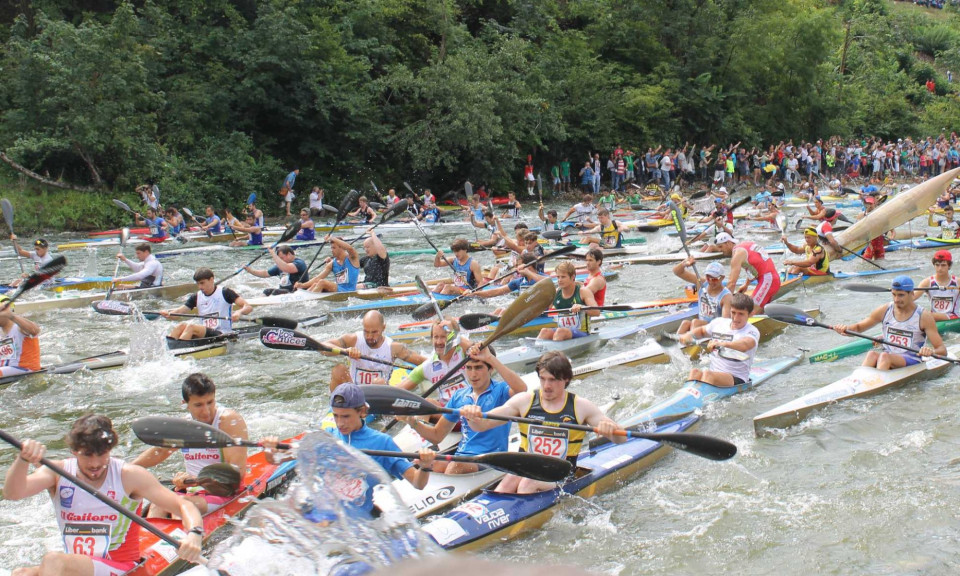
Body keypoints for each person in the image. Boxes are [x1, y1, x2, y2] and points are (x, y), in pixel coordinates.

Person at [3, 414, 203, 575]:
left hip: (121, 567)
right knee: (21, 573)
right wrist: (23, 460)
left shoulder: (129, 476)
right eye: (87, 455)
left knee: (53, 560)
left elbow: (184, 506)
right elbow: (13, 493)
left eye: (102, 454)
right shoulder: (57, 472)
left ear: (110, 449)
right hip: (81, 567)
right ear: (74, 451)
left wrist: (194, 534)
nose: (95, 463)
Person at [461, 351, 625, 493]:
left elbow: (621, 438)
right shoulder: (524, 401)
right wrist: (473, 417)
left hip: (560, 475)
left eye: (553, 380)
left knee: (527, 483)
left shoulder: (581, 407)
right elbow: (482, 425)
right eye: (543, 379)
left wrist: (610, 428)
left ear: (566, 379)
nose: (546, 386)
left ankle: (523, 526)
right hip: (526, 470)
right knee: (510, 480)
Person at [264, 383, 436, 491]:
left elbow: (417, 484)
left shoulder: (382, 442)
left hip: (361, 522)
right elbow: (277, 460)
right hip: (326, 517)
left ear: (362, 412)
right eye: (336, 416)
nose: (340, 423)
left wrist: (426, 466)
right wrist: (271, 450)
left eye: (345, 416)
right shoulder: (326, 437)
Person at [132, 373, 248, 515]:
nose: (206, 411)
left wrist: (197, 481)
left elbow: (236, 475)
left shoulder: (228, 421)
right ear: (185, 404)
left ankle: (185, 536)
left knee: (181, 507)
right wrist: (127, 468)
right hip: (191, 491)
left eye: (210, 402)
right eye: (198, 405)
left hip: (223, 493)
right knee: (157, 504)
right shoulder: (184, 425)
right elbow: (160, 452)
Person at [399, 345, 526, 474]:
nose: (473, 374)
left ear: (491, 368)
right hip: (463, 457)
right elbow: (436, 436)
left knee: (456, 466)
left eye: (478, 368)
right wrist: (412, 422)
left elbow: (522, 390)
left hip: (491, 460)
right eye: (469, 368)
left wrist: (489, 357)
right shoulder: (459, 396)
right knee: (429, 464)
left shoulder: (501, 390)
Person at [833, 275, 946, 370]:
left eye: (901, 295)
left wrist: (929, 351)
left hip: (911, 358)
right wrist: (844, 329)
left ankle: (874, 388)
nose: (896, 300)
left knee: (884, 357)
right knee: (871, 354)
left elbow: (942, 350)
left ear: (912, 294)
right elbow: (858, 328)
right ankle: (858, 383)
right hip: (887, 356)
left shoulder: (924, 316)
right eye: (894, 294)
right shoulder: (885, 310)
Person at [323, 310, 425, 391]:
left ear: (383, 328)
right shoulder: (353, 340)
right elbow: (323, 347)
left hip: (379, 395)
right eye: (366, 332)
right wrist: (345, 350)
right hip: (354, 392)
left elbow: (423, 362)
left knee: (378, 382)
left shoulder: (394, 348)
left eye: (374, 332)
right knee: (338, 370)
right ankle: (339, 404)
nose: (369, 336)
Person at [677, 293, 759, 387]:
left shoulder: (752, 331)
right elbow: (702, 331)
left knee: (708, 374)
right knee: (695, 372)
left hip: (736, 377)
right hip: (714, 374)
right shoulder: (719, 323)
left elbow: (745, 345)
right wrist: (689, 335)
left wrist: (722, 344)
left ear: (750, 314)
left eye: (741, 314)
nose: (736, 318)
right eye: (733, 312)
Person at [398, 319, 475, 405]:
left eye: (443, 337)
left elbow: (482, 351)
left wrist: (453, 333)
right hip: (447, 412)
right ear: (431, 339)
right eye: (436, 337)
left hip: (472, 405)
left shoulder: (465, 354)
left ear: (453, 337)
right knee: (428, 402)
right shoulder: (427, 366)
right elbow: (397, 391)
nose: (439, 342)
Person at [162, 267, 252, 341]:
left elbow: (248, 307)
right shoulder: (196, 296)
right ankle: (171, 351)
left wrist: (239, 312)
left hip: (222, 334)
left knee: (191, 326)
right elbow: (178, 312)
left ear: (211, 279)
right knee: (181, 326)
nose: (200, 287)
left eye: (202, 283)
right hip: (204, 334)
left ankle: (179, 351)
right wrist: (168, 314)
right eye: (198, 284)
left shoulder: (225, 292)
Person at [714, 232, 780, 314]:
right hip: (771, 279)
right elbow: (755, 265)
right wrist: (746, 284)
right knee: (758, 312)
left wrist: (723, 302)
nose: (720, 250)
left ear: (728, 243)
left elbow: (732, 283)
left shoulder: (737, 255)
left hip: (767, 281)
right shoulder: (744, 245)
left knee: (749, 313)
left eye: (721, 247)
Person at [536, 262, 600, 341]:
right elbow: (545, 309)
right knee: (544, 331)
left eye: (563, 277)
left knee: (560, 332)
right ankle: (539, 352)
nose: (559, 280)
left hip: (582, 333)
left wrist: (582, 307)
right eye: (558, 277)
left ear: (572, 277)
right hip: (562, 332)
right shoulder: (556, 293)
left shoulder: (583, 292)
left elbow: (597, 312)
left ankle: (556, 352)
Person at [672, 259, 732, 335]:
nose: (710, 281)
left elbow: (725, 323)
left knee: (695, 322)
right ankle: (679, 342)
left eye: (714, 279)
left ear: (722, 278)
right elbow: (677, 272)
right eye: (708, 277)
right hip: (701, 325)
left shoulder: (726, 297)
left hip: (714, 329)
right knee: (685, 323)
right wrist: (685, 263)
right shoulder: (701, 283)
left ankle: (692, 340)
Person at [296, 236, 360, 293]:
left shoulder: (352, 258)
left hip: (349, 291)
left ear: (341, 248)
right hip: (339, 290)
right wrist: (302, 285)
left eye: (334, 248)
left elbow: (350, 248)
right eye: (331, 248)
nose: (331, 250)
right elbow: (317, 278)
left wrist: (332, 238)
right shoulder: (332, 263)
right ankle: (304, 297)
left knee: (322, 282)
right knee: (316, 283)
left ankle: (309, 299)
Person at [0, 294, 40, 377]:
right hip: (6, 371)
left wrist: (11, 316)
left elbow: (35, 330)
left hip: (26, 369)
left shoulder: (19, 327)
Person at [913, 251, 959, 320]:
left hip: (954, 317)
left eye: (943, 265)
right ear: (934, 265)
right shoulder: (927, 282)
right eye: (937, 265)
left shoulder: (957, 282)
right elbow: (912, 298)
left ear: (949, 266)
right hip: (934, 317)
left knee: (924, 314)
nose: (940, 268)